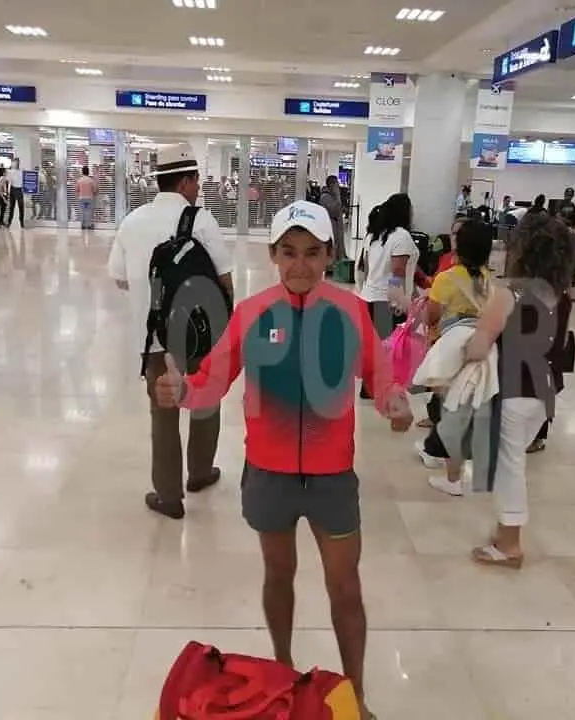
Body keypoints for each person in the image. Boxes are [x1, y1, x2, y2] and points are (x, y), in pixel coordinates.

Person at [154, 200, 413, 720]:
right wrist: (183, 391)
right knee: (279, 573)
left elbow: (381, 375)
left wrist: (394, 402)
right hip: (269, 475)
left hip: (332, 478)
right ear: (272, 254)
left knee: (345, 585)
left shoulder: (351, 312)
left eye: (313, 253)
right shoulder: (252, 314)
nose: (301, 265)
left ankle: (355, 697)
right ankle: (283, 671)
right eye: (289, 252)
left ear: (330, 255)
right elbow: (212, 381)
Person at [107, 143, 234, 520]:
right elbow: (225, 282)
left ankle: (167, 495)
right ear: (185, 181)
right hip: (199, 335)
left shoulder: (132, 222)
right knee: (205, 403)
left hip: (155, 340)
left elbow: (118, 278)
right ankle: (199, 473)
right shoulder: (202, 220)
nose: (198, 188)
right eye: (196, 180)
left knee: (163, 415)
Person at [466, 213, 574, 568]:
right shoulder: (562, 296)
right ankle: (503, 532)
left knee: (508, 467)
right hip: (544, 392)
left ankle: (510, 544)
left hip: (513, 389)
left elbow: (479, 346)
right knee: (514, 460)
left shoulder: (508, 293)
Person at [418, 219, 494, 493]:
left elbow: (432, 316)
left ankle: (453, 478)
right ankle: (443, 458)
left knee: (450, 412)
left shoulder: (446, 279)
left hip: (449, 351)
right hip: (478, 349)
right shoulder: (485, 277)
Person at [357, 193, 418, 399]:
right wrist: (398, 301)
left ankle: (370, 388)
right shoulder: (401, 236)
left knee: (375, 346)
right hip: (387, 300)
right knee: (388, 347)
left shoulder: (374, 235)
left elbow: (365, 267)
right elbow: (398, 270)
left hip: (369, 296)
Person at [318, 175, 346, 261]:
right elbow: (335, 211)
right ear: (332, 184)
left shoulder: (331, 197)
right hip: (332, 232)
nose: (338, 186)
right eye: (336, 184)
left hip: (336, 232)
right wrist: (338, 196)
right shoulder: (325, 197)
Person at [75, 166, 97, 230]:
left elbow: (76, 189)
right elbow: (95, 190)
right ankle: (89, 225)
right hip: (89, 198)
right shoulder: (91, 180)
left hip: (81, 198)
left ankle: (83, 225)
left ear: (82, 172)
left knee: (82, 211)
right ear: (88, 172)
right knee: (89, 211)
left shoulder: (79, 180)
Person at [6, 158, 25, 228]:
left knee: (21, 207)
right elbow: (8, 181)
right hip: (13, 189)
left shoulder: (22, 171)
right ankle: (9, 222)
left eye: (17, 162)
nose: (16, 164)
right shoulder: (10, 171)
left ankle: (22, 222)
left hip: (20, 189)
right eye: (15, 162)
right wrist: (7, 191)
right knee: (11, 207)